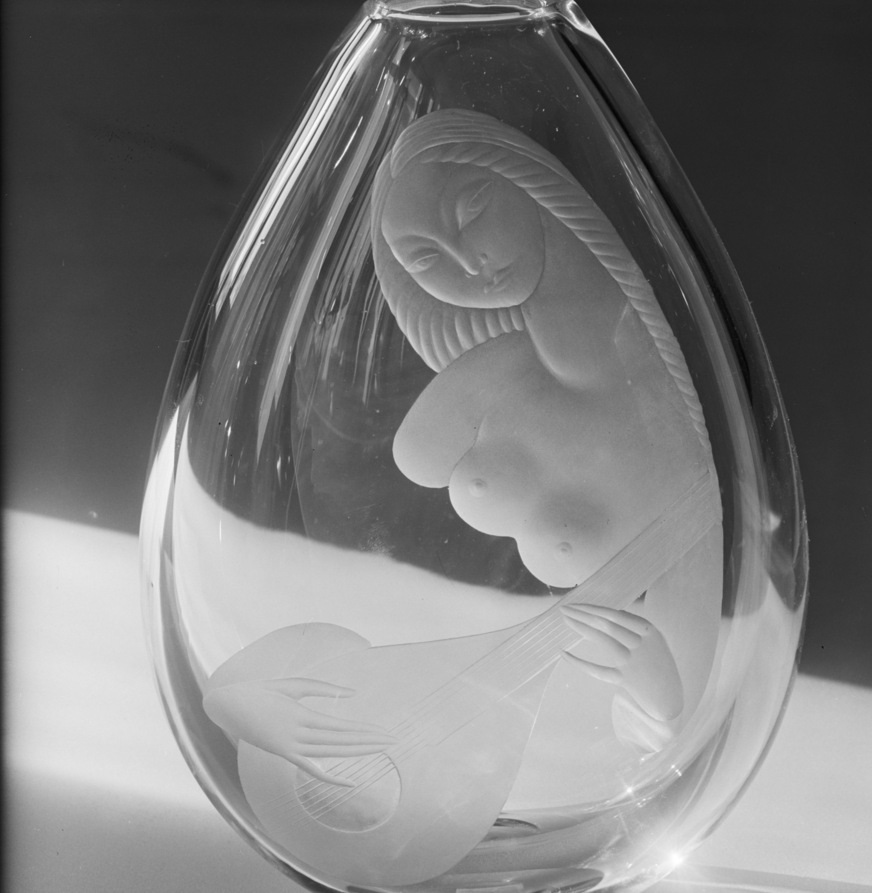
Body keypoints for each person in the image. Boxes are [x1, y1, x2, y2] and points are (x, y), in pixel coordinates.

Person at [205, 109, 722, 790]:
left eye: (473, 208)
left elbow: (675, 694)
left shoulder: (661, 406)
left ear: (532, 186)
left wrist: (656, 691)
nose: (465, 261)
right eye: (423, 258)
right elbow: (400, 463)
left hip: (579, 762)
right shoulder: (491, 371)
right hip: (427, 722)